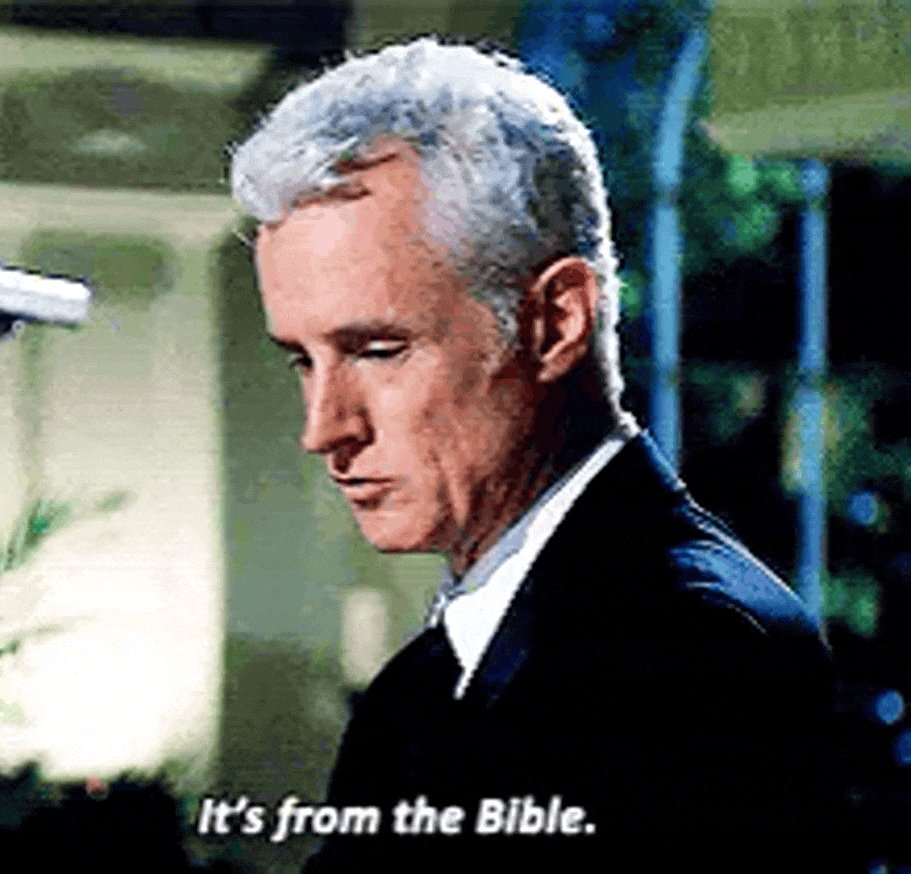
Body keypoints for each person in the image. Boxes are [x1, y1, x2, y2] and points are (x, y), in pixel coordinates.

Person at [229, 37, 838, 872]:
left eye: (377, 350)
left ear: (555, 322)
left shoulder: (693, 656)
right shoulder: (416, 691)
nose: (323, 428)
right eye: (303, 360)